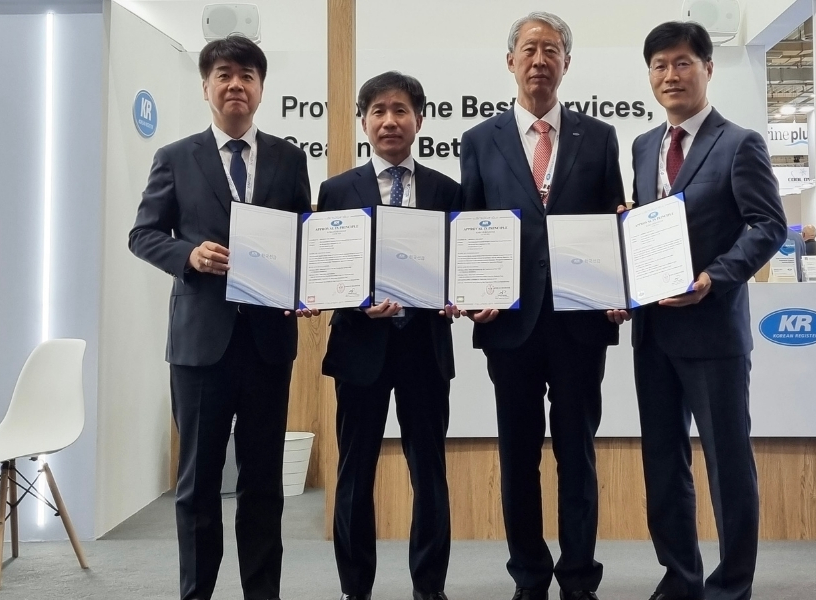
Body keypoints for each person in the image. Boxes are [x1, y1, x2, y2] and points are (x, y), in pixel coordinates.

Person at [128, 35, 311, 600]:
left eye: (247, 76)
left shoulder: (289, 158)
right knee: (198, 483)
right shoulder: (175, 157)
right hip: (200, 345)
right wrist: (188, 255)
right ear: (205, 86)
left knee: (264, 484)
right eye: (225, 75)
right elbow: (143, 234)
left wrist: (307, 284)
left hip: (267, 343)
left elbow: (305, 239)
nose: (236, 85)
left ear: (261, 88)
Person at [459, 12, 624, 600]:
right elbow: (471, 227)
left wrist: (619, 289)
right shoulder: (479, 141)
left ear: (566, 63)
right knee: (518, 458)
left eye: (551, 50)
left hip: (581, 324)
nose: (539, 60)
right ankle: (529, 576)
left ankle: (578, 577)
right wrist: (472, 294)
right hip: (511, 327)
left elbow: (614, 221)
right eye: (528, 49)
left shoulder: (599, 137)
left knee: (578, 455)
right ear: (510, 61)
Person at [627, 21, 786, 600]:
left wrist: (713, 278)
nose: (671, 75)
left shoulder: (739, 143)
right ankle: (681, 577)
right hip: (653, 332)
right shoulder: (644, 146)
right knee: (663, 464)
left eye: (682, 63)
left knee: (727, 464)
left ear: (707, 69)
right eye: (660, 65)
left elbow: (768, 225)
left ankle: (732, 585)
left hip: (713, 332)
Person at [319, 72, 461, 600]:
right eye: (377, 111)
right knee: (355, 473)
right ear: (363, 122)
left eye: (400, 110)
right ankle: (355, 588)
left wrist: (459, 293)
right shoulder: (336, 190)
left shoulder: (448, 191)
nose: (389, 121)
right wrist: (356, 299)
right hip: (361, 348)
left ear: (419, 119)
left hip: (425, 348)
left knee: (430, 473)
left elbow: (461, 266)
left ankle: (430, 587)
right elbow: (326, 270)